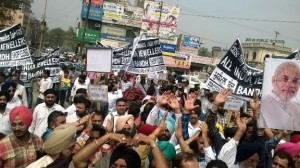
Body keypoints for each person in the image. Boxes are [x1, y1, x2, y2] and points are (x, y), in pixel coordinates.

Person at [259, 61, 300, 131]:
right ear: (273, 80)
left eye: (295, 81)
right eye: (285, 79)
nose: (291, 85)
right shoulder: (261, 104)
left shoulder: (298, 106)